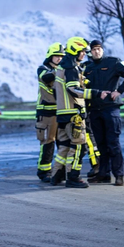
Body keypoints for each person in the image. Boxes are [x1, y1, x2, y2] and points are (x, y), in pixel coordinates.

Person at [50, 36, 110, 188]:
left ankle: (56, 175)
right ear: (73, 51)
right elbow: (73, 90)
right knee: (78, 147)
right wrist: (95, 93)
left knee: (64, 146)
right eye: (81, 51)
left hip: (63, 114)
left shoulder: (61, 68)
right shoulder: (71, 69)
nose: (84, 54)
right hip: (74, 115)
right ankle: (73, 177)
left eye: (84, 51)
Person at [84, 40, 124, 186]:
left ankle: (118, 175)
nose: (97, 51)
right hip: (94, 110)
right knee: (100, 145)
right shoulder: (87, 68)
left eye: (99, 48)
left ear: (102, 50)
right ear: (90, 52)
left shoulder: (113, 62)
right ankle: (103, 175)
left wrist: (119, 91)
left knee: (113, 144)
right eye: (94, 49)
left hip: (110, 109)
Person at [35, 42, 65, 182]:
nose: (59, 58)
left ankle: (58, 171)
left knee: (62, 142)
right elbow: (46, 77)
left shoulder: (62, 70)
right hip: (46, 113)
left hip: (60, 112)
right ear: (50, 56)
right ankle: (44, 171)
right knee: (48, 142)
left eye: (61, 56)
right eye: (56, 56)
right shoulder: (43, 69)